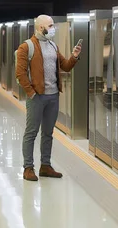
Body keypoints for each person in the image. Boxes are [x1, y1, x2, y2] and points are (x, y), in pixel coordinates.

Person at [16, 15, 82, 181]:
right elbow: (20, 74)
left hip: (53, 96)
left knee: (48, 132)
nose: (53, 28)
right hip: (37, 97)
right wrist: (31, 93)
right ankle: (28, 167)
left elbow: (65, 66)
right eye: (50, 26)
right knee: (31, 132)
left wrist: (74, 56)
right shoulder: (27, 47)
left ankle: (45, 165)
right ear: (40, 28)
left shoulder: (53, 45)